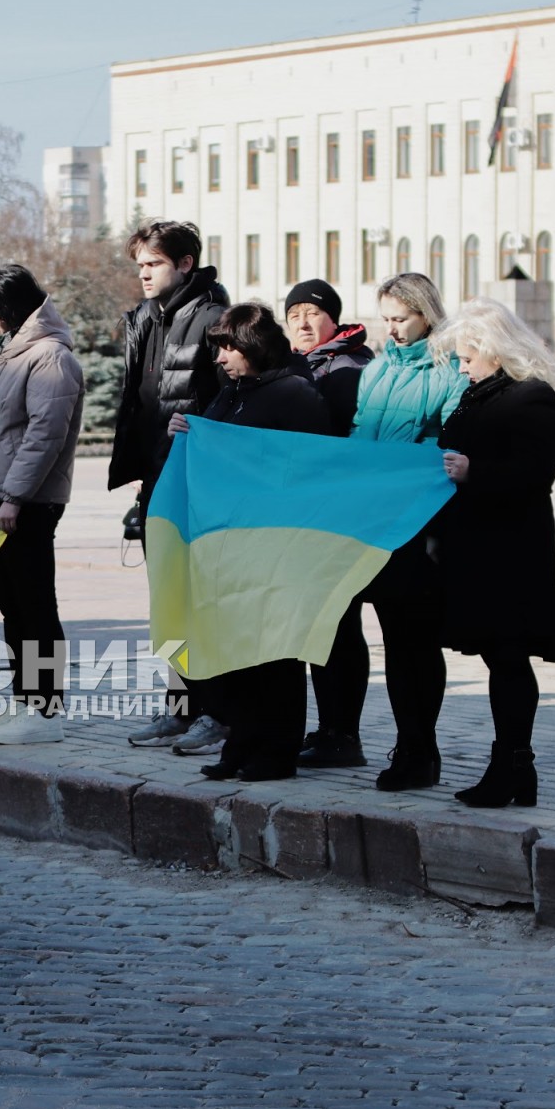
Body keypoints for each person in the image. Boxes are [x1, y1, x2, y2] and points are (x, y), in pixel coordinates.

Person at [170, 303, 332, 781]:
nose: (220, 358)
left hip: (276, 543)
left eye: (227, 347)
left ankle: (277, 751)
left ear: (254, 346)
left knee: (276, 653)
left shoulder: (294, 394)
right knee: (238, 648)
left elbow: (309, 467)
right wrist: (183, 432)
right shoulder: (235, 391)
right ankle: (242, 741)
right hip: (230, 542)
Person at [325, 274, 473, 787]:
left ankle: (420, 748)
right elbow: (361, 428)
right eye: (386, 318)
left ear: (427, 313)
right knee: (390, 636)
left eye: (401, 319)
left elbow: (451, 437)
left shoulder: (450, 368)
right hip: (373, 516)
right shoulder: (380, 366)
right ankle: (403, 746)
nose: (392, 329)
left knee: (415, 640)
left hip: (420, 518)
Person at [431, 298, 555, 808]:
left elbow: (536, 475)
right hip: (476, 546)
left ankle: (513, 764)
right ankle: (513, 767)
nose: (461, 367)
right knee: (498, 656)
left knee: (509, 657)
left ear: (494, 350)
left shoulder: (533, 398)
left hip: (512, 551)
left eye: (467, 357)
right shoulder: (479, 395)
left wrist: (474, 473)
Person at [111, 220, 230, 752]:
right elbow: (142, 408)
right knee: (171, 602)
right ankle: (180, 709)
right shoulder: (145, 319)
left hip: (201, 485)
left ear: (185, 264)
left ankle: (218, 714)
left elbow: (230, 403)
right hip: (158, 481)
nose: (144, 273)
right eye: (140, 264)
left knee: (205, 603)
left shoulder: (213, 318)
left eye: (154, 263)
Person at [0, 264, 86, 746]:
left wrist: (16, 496)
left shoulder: (50, 358)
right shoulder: (4, 354)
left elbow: (44, 435)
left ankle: (46, 708)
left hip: (30, 501)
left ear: (13, 308)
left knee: (36, 605)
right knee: (12, 606)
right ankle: (24, 700)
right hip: (0, 498)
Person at [280, 278, 378, 771]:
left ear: (333, 320)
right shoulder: (299, 367)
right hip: (306, 518)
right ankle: (329, 730)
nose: (301, 321)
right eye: (293, 313)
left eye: (312, 312)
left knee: (337, 625)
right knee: (317, 624)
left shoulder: (347, 369)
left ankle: (343, 733)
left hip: (337, 519)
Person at [283, 278, 375, 433]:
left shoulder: (354, 369)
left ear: (334, 322)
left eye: (312, 314)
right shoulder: (285, 366)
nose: (302, 324)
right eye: (294, 317)